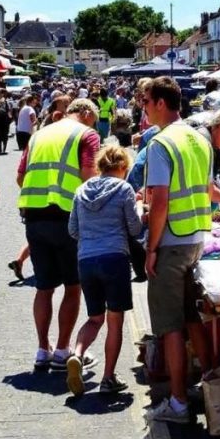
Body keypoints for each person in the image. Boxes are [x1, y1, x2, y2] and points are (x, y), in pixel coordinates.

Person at [141, 76, 216, 424]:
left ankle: (178, 402)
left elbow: (159, 203)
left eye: (146, 101)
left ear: (160, 103)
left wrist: (151, 248)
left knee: (170, 324)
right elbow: (207, 188)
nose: (143, 108)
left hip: (171, 241)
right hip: (196, 239)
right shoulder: (199, 138)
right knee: (190, 316)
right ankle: (209, 382)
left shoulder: (160, 143)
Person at [17, 98, 101, 371]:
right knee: (72, 286)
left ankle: (43, 349)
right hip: (68, 217)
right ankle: (63, 350)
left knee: (44, 287)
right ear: (86, 113)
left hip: (34, 215)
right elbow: (89, 176)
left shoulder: (39, 134)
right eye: (94, 119)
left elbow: (20, 176)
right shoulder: (86, 135)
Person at [65, 145, 143, 396]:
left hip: (86, 260)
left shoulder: (81, 190)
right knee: (115, 321)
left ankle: (76, 355)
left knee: (94, 318)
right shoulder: (124, 189)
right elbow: (134, 228)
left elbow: (73, 230)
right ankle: (108, 377)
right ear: (122, 167)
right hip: (114, 258)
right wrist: (141, 209)